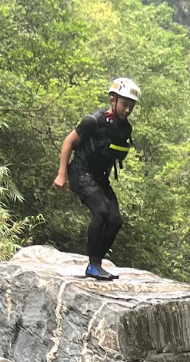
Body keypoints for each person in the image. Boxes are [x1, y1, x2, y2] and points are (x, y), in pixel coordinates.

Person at [53, 77, 140, 281]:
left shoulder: (125, 129)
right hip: (80, 171)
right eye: (125, 105)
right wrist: (61, 174)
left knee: (115, 220)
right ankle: (93, 265)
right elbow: (68, 142)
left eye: (131, 107)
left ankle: (98, 263)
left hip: (100, 178)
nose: (127, 110)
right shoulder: (94, 121)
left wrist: (104, 183)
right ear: (113, 99)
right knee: (100, 212)